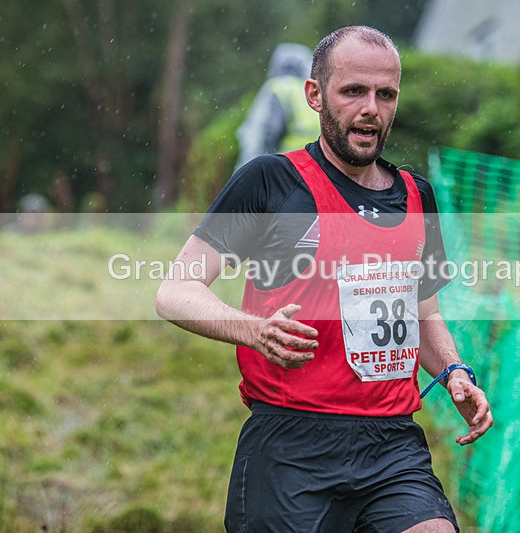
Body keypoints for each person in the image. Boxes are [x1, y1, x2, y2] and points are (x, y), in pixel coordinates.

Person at [156, 25, 493, 532]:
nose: (371, 109)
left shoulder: (417, 196)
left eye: (385, 94)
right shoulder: (270, 182)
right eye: (353, 91)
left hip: (391, 446)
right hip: (291, 446)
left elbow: (424, 314)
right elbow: (175, 291)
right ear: (315, 94)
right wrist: (254, 330)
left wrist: (453, 371)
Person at [234, 42, 321, 169]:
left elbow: (267, 133)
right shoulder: (313, 90)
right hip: (316, 166)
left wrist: (259, 169)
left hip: (287, 169)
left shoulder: (278, 88)